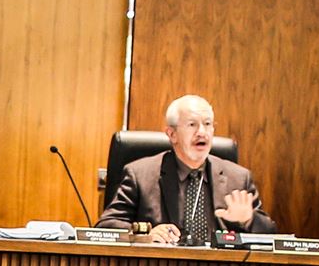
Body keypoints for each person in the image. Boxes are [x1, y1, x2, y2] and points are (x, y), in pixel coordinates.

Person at [98, 95, 275, 244]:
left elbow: (271, 235)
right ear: (171, 134)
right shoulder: (141, 175)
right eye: (192, 125)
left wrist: (249, 220)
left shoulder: (238, 178)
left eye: (207, 124)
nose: (202, 132)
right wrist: (145, 234)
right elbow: (106, 226)